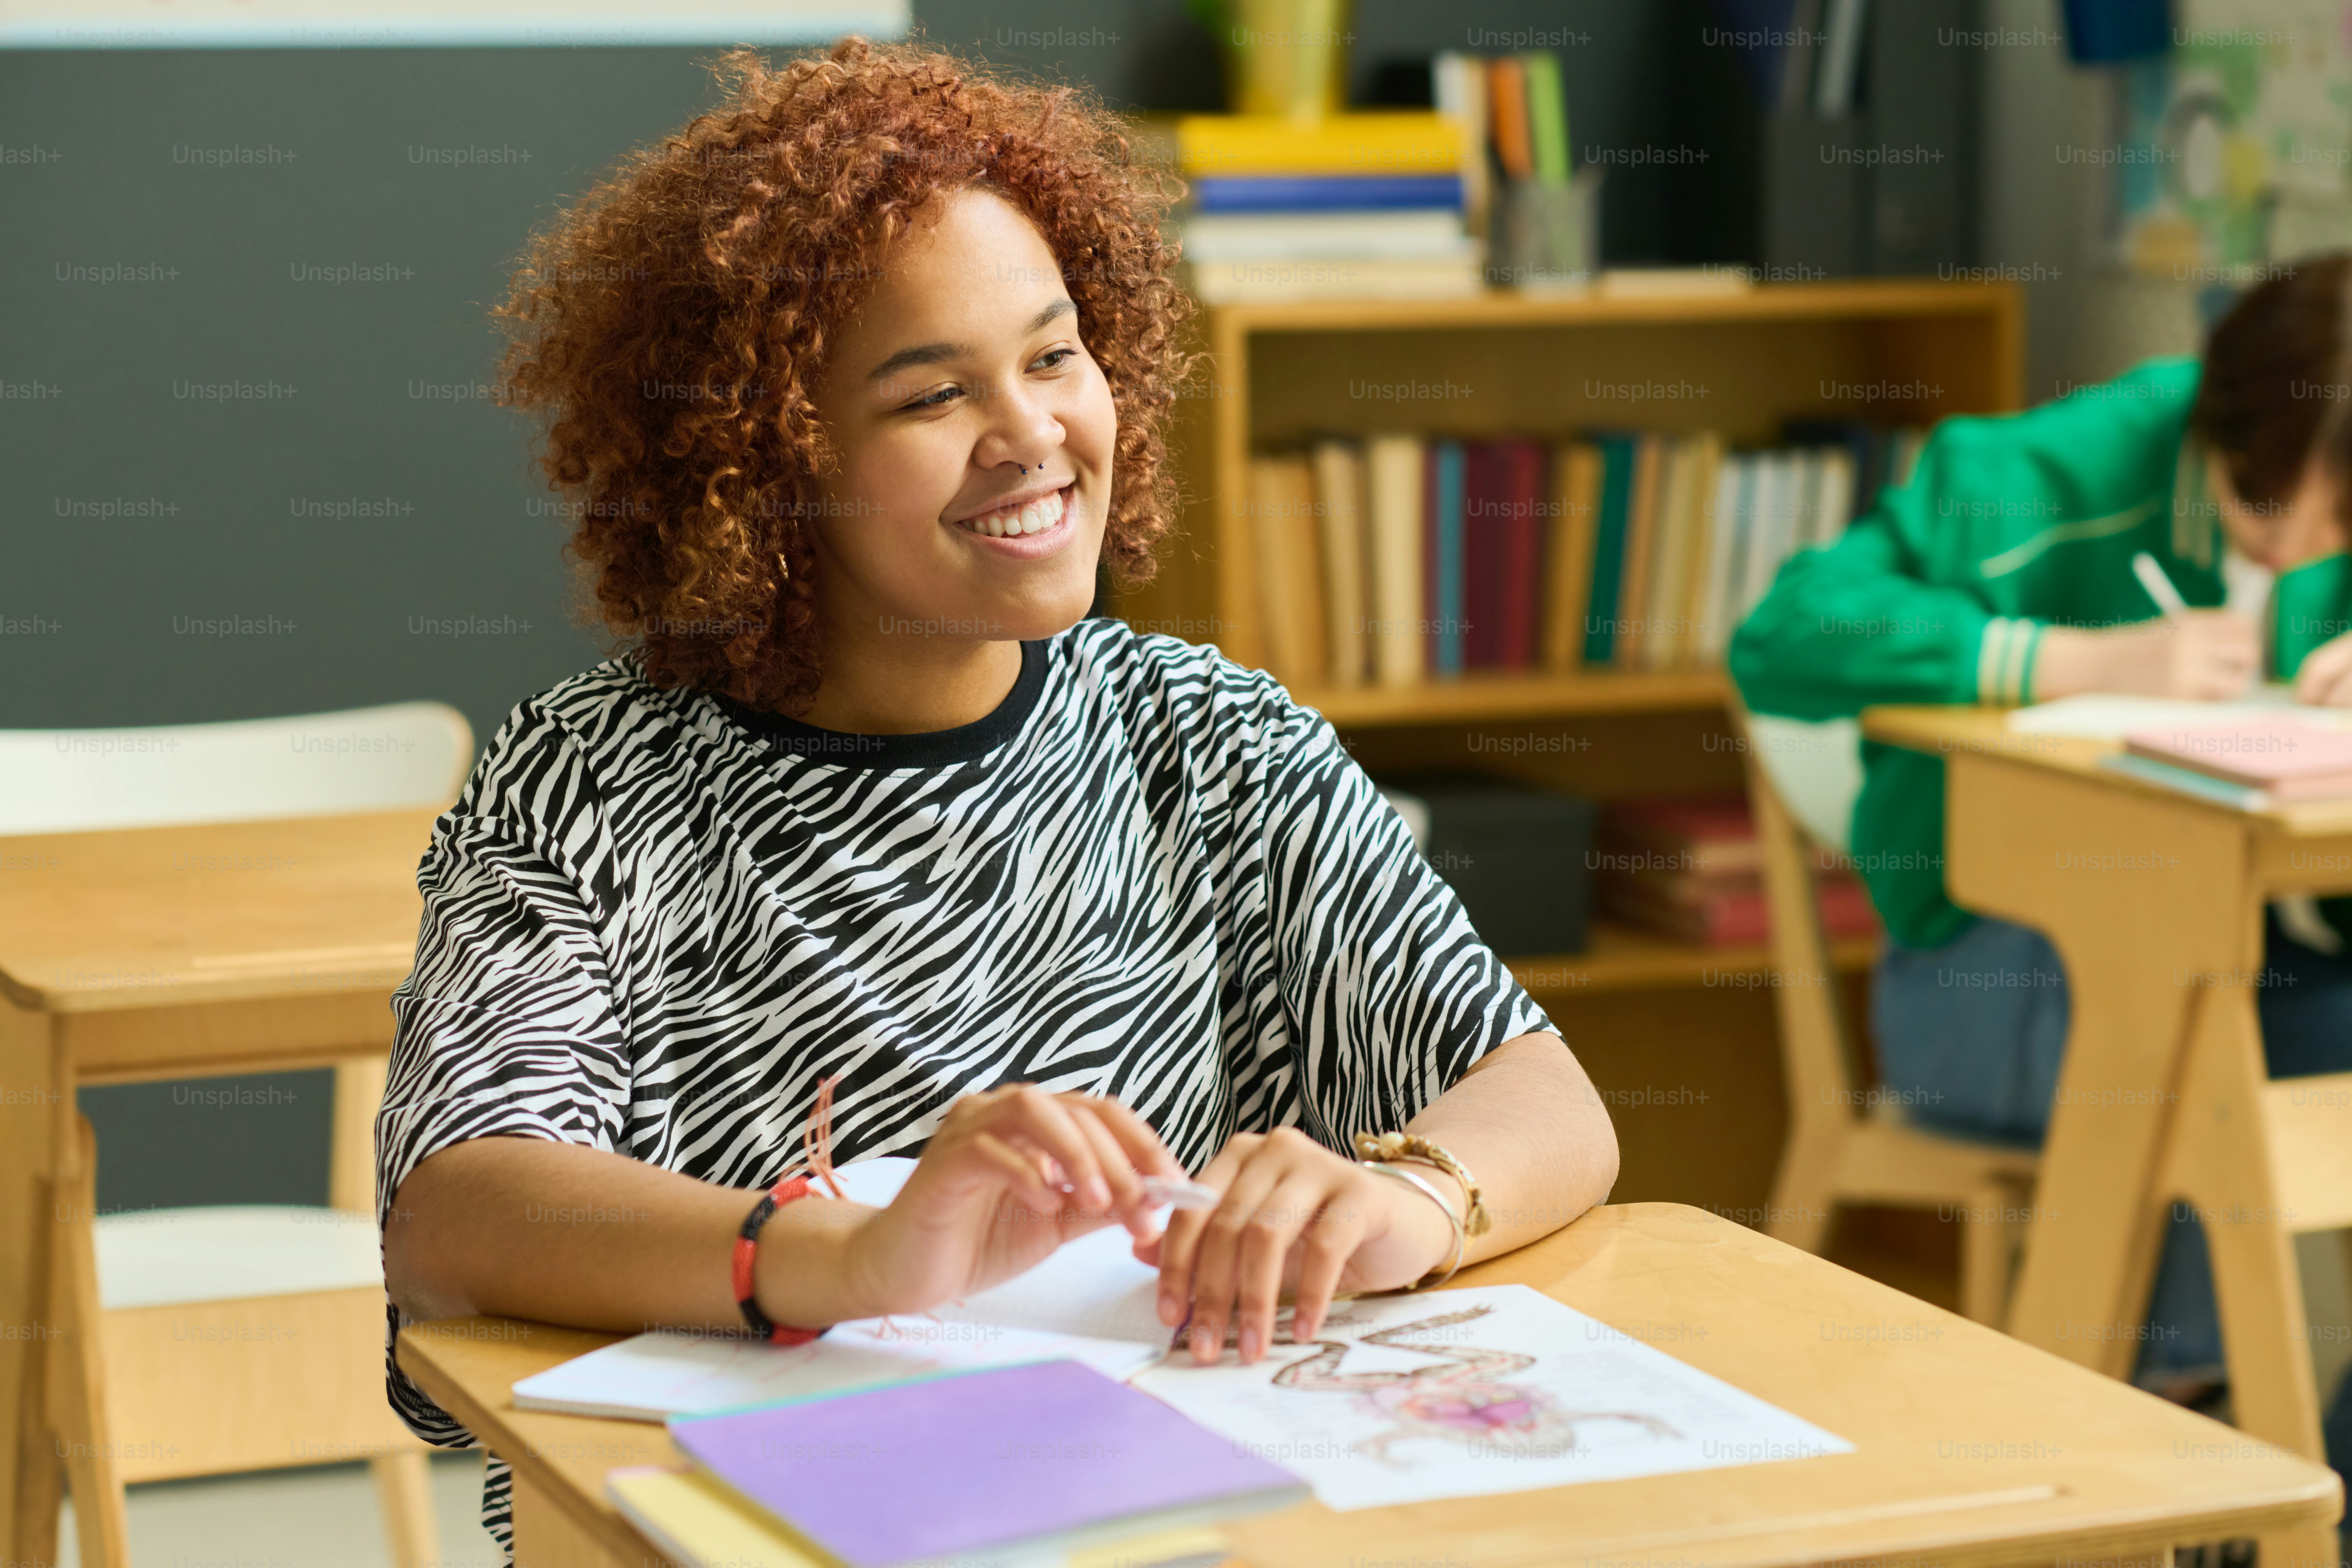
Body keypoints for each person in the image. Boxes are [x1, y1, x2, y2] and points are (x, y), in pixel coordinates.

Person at [375, 36, 1620, 1556]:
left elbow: (1548, 1099)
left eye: (1053, 355)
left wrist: (1409, 1196)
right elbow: (460, 1212)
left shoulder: (1209, 740)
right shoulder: (596, 778)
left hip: (1150, 1523)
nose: (1032, 434)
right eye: (928, 398)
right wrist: (861, 1258)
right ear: (764, 468)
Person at [1730, 258, 2352, 1433]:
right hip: (1996, 981)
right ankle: (2177, 1427)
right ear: (2210, 430)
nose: (2292, 551)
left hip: (2247, 966)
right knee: (2182, 1040)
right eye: (2264, 504)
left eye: (2341, 528)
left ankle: (2263, 1464)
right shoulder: (2046, 472)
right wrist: (2060, 660)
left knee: (2218, 1030)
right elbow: (1783, 633)